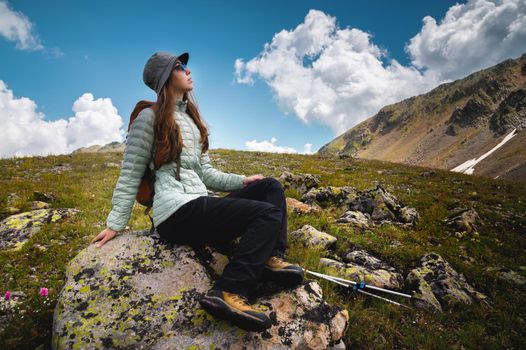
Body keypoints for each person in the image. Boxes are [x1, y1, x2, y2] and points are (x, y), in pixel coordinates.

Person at [90, 51, 304, 332]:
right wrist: (115, 224)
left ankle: (270, 259)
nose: (188, 71)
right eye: (180, 67)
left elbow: (206, 174)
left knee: (270, 187)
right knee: (266, 215)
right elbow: (130, 173)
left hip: (198, 203)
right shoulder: (148, 117)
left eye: (185, 65)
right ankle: (229, 290)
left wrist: (243, 181)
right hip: (175, 214)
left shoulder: (190, 119)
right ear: (166, 77)